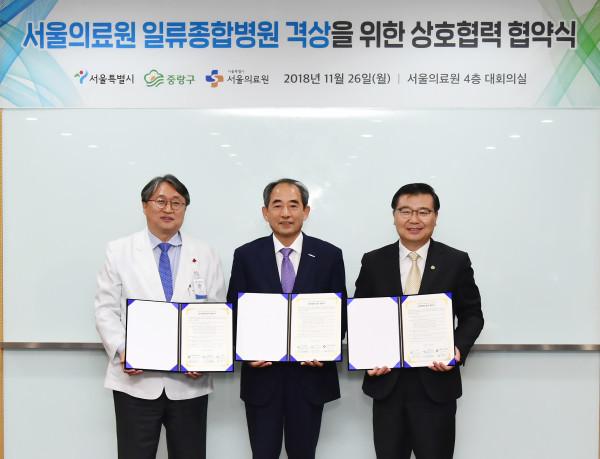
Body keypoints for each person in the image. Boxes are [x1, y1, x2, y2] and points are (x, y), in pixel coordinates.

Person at [95, 174, 225, 459]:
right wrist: (123, 350)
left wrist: (204, 358)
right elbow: (106, 309)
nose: (169, 209)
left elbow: (214, 311)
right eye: (161, 201)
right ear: (145, 205)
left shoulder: (206, 253)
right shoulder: (119, 250)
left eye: (177, 203)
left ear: (185, 208)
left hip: (189, 384)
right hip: (135, 385)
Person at [354, 182, 484, 459]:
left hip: (436, 386)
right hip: (388, 386)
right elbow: (360, 317)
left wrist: (457, 348)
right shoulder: (374, 261)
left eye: (423, 212)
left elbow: (472, 315)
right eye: (405, 211)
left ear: (436, 217)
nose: (414, 219)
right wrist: (367, 358)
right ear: (394, 216)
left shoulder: (455, 261)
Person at [227, 178, 346, 459]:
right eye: (277, 205)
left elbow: (339, 312)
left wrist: (326, 350)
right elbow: (234, 312)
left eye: (293, 205)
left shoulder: (329, 255)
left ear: (306, 211)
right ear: (265, 212)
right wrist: (245, 352)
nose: (285, 213)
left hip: (310, 378)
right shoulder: (246, 255)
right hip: (262, 379)